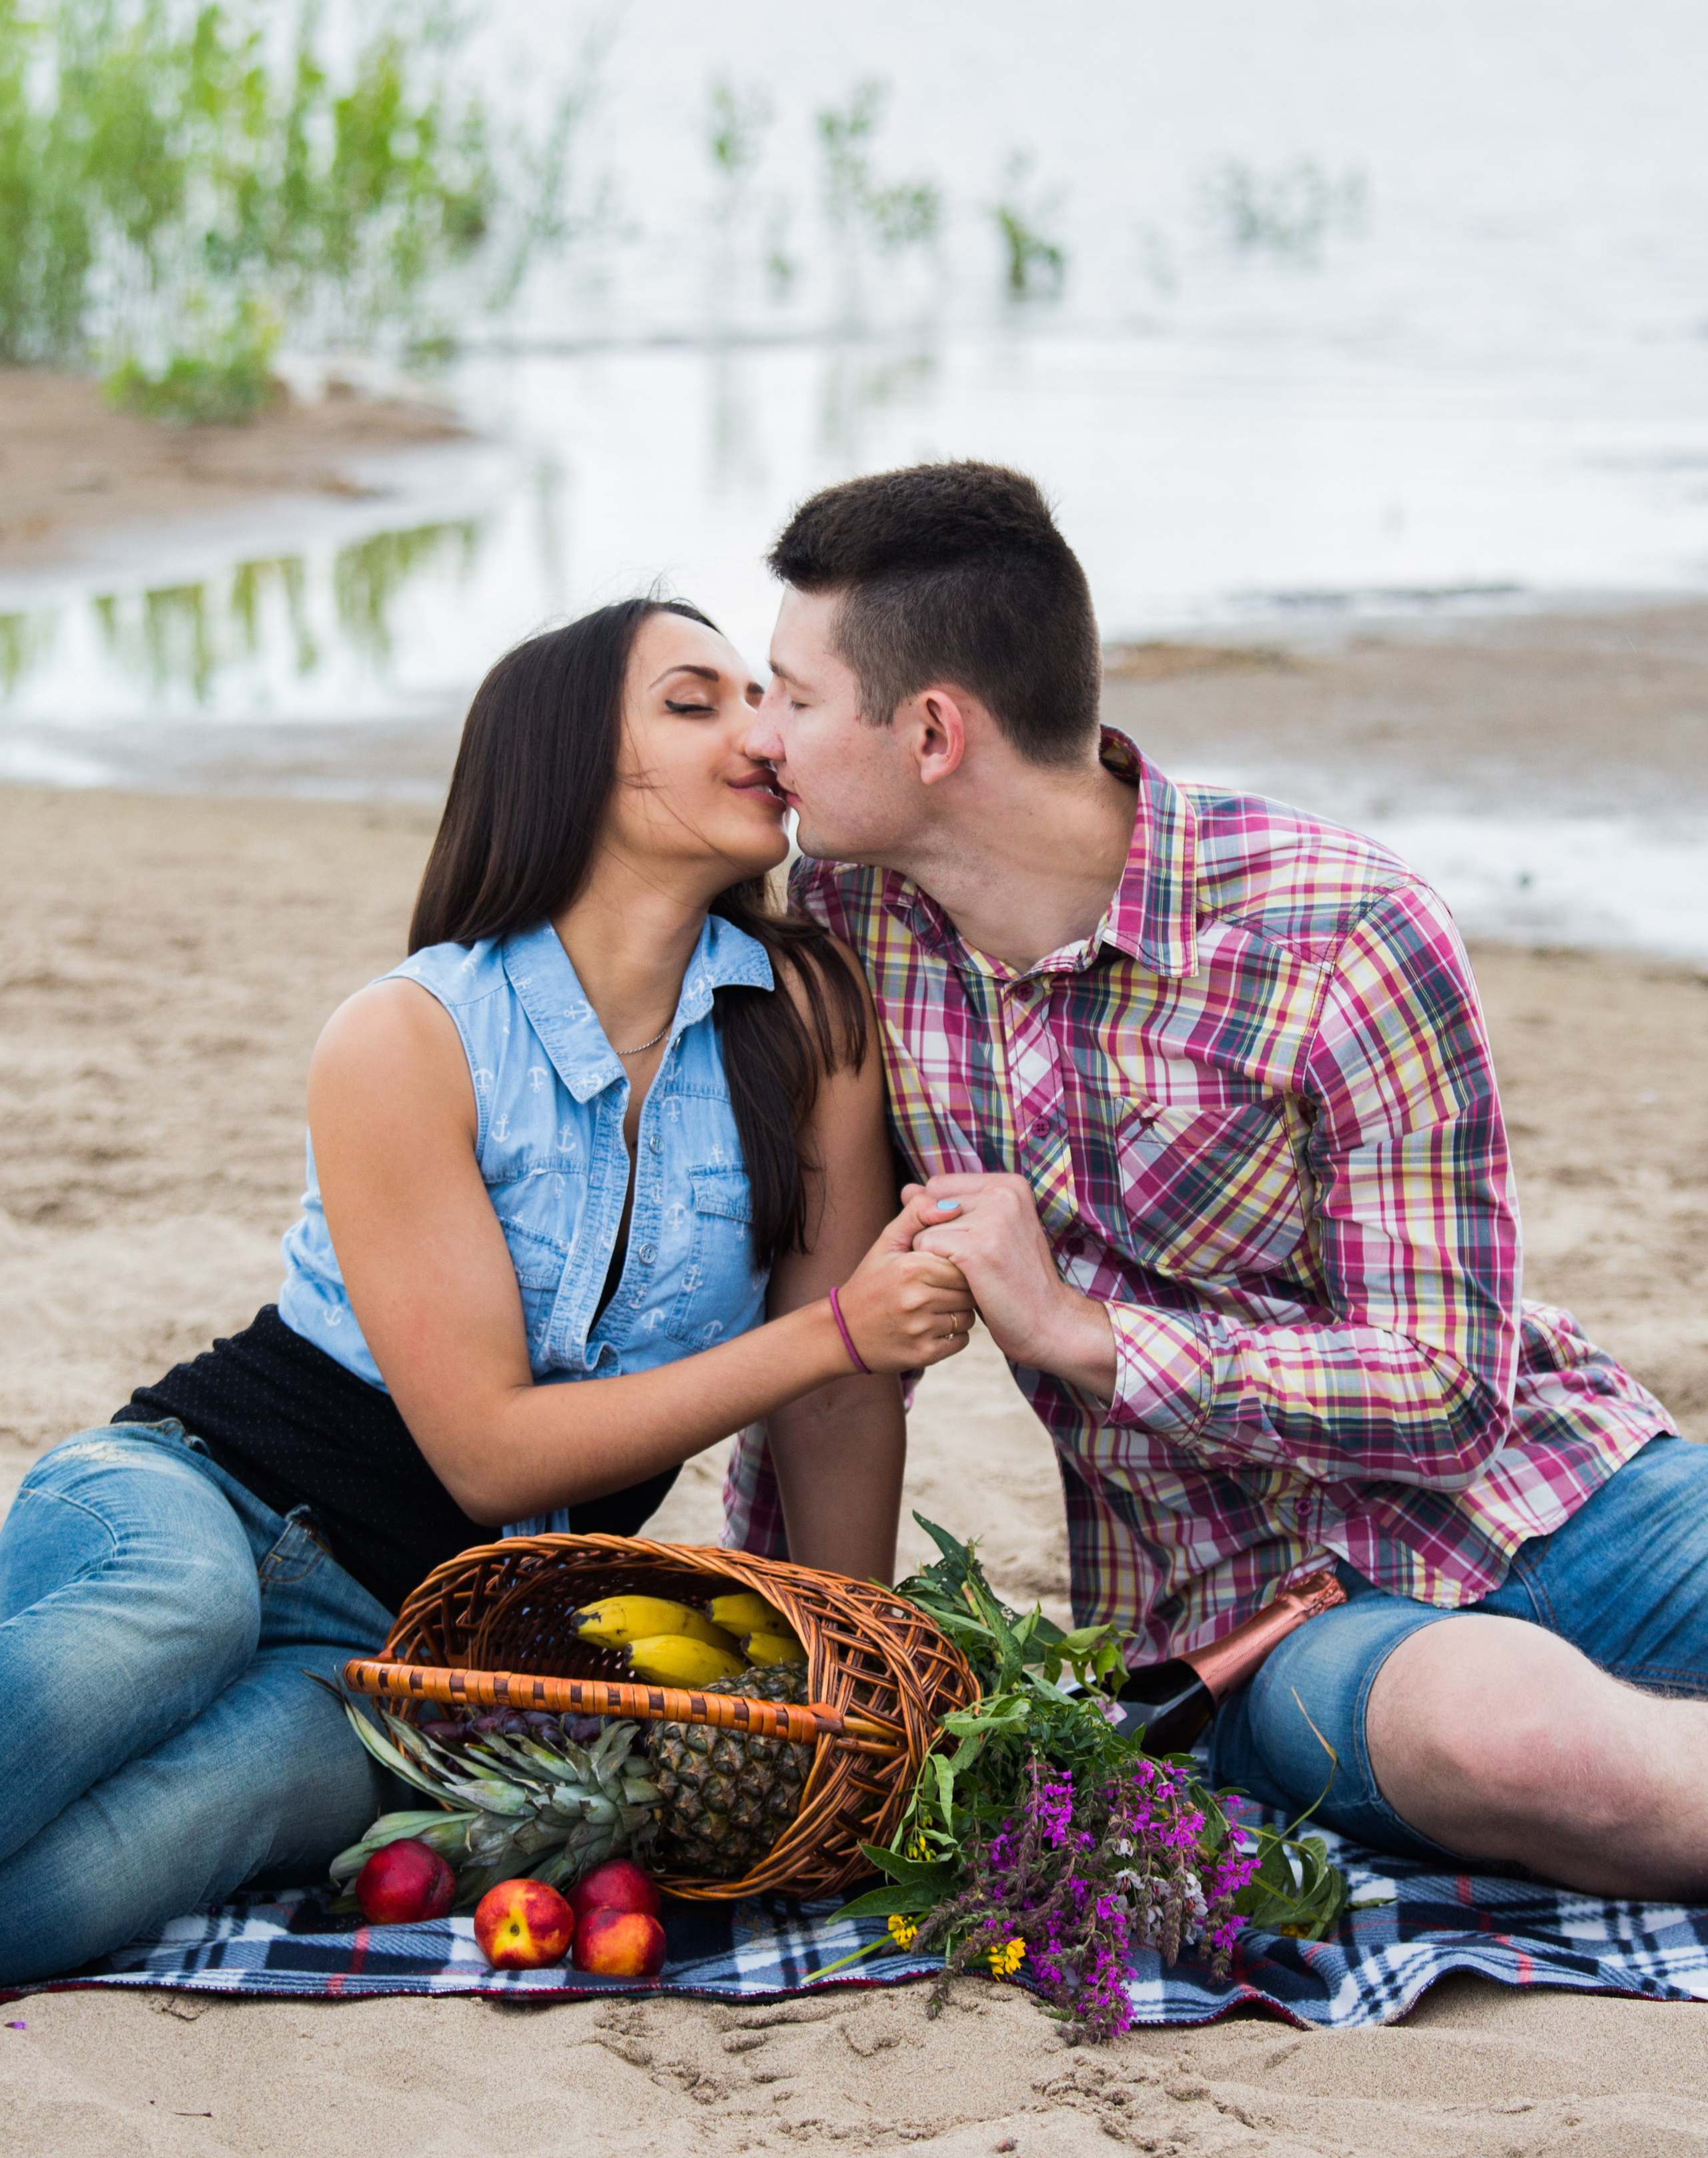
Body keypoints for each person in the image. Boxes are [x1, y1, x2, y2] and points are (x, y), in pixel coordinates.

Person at [730, 459, 1708, 1901]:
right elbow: (841, 1344)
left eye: (790, 698)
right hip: (1259, 1620)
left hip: (1564, 1491)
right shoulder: (843, 931)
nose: (762, 740)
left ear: (931, 731)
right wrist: (829, 1673)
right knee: (1523, 1749)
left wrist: (1086, 1336)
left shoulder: (1337, 931)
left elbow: (1449, 1385)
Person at [0, 597, 973, 1985]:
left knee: (130, 1860)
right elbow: (488, 1452)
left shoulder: (809, 1019)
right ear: (568, 763)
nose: (759, 734)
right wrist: (824, 1336)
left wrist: (838, 1705)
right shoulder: (409, 1032)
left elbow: (834, 1407)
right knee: (176, 1618)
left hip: (422, 1655)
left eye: (760, 697)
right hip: (205, 1495)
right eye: (693, 703)